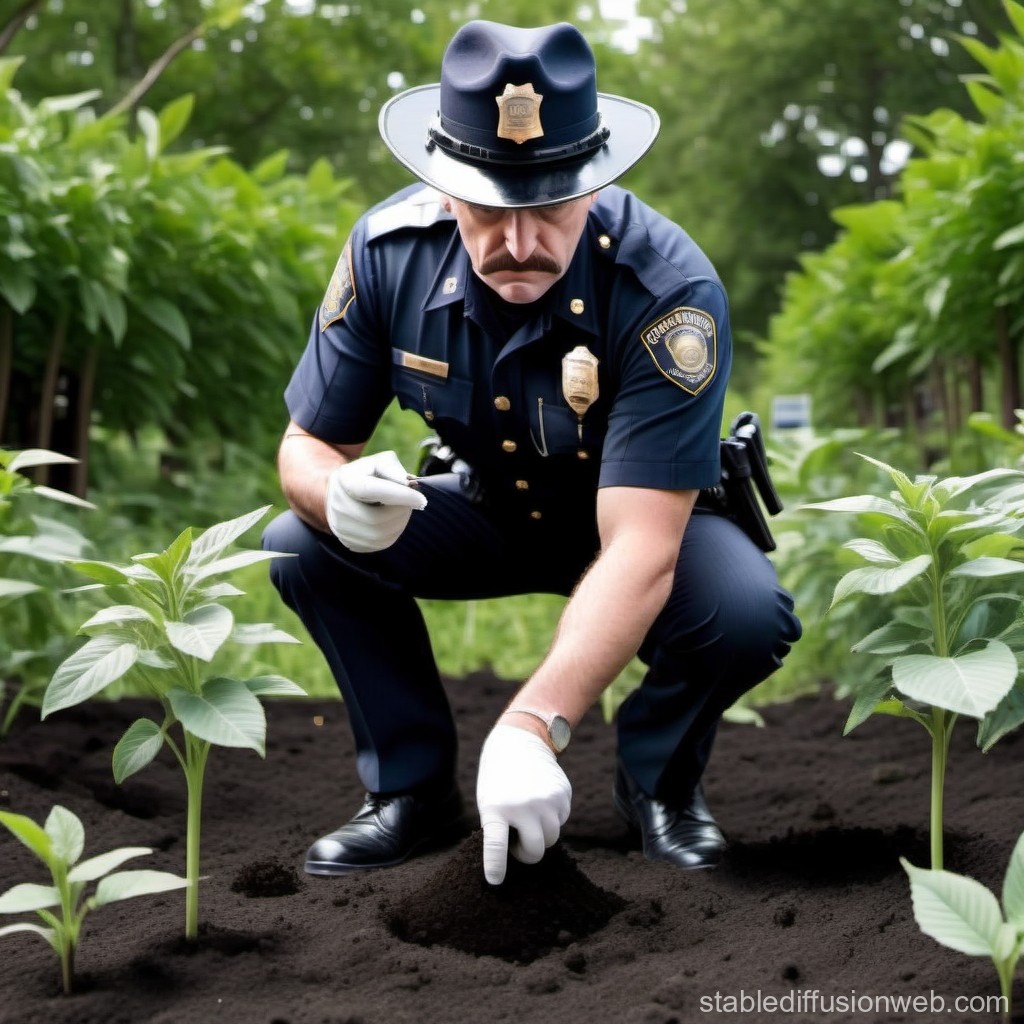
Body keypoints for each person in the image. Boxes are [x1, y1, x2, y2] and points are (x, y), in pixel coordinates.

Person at [263, 19, 801, 886]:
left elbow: (643, 546)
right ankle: (410, 791)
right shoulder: (385, 255)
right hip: (481, 509)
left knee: (744, 615)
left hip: (632, 523)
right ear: (442, 190)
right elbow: (306, 444)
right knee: (301, 543)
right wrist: (333, 490)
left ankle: (656, 784)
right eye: (487, 208)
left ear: (596, 184)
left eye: (548, 205)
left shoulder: (668, 290)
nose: (518, 243)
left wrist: (529, 726)